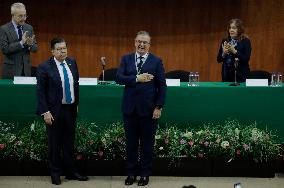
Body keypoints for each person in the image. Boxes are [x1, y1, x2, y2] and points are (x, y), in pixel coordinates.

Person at [116, 31, 167, 186]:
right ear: (134, 42)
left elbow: (162, 86)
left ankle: (145, 174)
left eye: (145, 42)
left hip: (149, 110)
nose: (141, 44)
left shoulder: (156, 61)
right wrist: (137, 78)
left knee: (147, 144)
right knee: (131, 144)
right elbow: (119, 78)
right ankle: (131, 174)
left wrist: (158, 106)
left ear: (149, 45)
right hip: (130, 109)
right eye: (139, 41)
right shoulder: (126, 59)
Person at [36, 38, 88, 185]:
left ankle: (71, 172)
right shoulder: (44, 67)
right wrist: (45, 111)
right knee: (54, 144)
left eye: (64, 48)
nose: (63, 51)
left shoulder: (72, 62)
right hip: (53, 111)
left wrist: (76, 103)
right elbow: (40, 92)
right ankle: (55, 173)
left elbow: (75, 84)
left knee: (69, 143)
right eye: (59, 49)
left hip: (70, 110)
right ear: (52, 51)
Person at [0, 2, 37, 79]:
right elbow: (5, 49)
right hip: (11, 71)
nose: (23, 18)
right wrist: (21, 43)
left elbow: (35, 49)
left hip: (26, 71)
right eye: (20, 16)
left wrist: (30, 45)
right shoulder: (4, 29)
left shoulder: (29, 28)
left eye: (25, 15)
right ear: (13, 16)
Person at [217, 18, 251, 82]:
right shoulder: (225, 40)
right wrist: (223, 54)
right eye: (230, 28)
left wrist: (234, 51)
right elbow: (218, 59)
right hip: (226, 75)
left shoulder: (245, 41)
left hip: (241, 76)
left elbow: (246, 59)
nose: (231, 30)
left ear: (239, 29)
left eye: (234, 28)